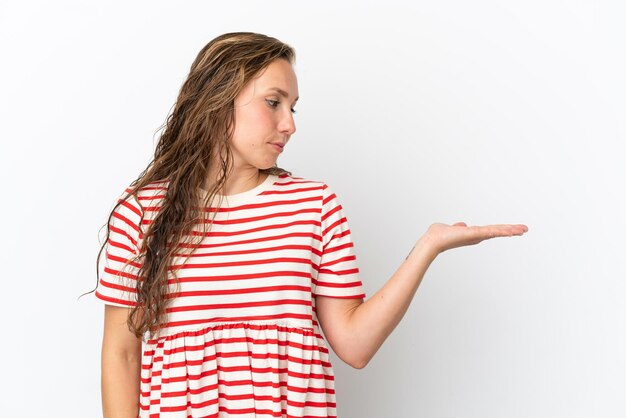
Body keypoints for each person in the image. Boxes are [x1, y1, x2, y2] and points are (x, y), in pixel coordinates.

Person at [93, 32, 528, 418]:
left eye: (293, 107)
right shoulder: (144, 211)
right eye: (273, 102)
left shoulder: (314, 205)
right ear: (218, 100)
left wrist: (428, 247)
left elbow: (355, 346)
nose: (290, 124)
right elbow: (122, 353)